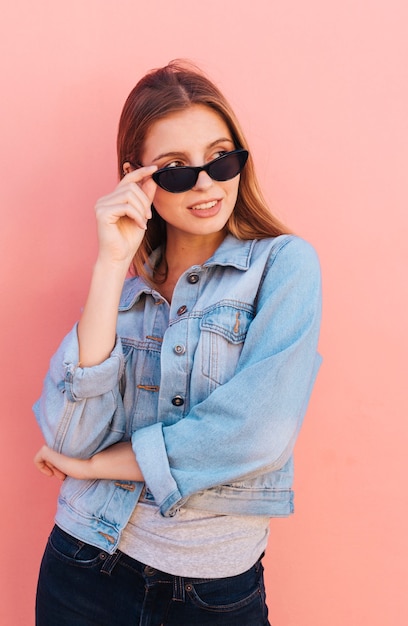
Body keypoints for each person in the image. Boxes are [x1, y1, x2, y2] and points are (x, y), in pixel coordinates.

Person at [33, 60, 322, 626]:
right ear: (135, 179)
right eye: (174, 169)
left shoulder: (283, 266)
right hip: (84, 567)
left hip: (213, 590)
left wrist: (100, 469)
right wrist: (112, 265)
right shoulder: (123, 295)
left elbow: (258, 431)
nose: (207, 182)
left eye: (221, 157)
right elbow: (68, 433)